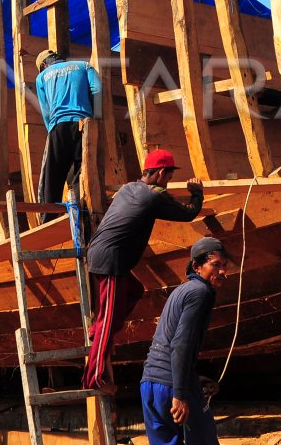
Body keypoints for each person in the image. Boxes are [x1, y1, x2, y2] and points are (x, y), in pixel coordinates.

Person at [82, 149, 204, 393]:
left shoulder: (128, 188)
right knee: (107, 321)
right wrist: (197, 193)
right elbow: (189, 213)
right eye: (168, 177)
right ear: (160, 173)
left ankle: (100, 331)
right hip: (112, 261)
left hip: (99, 253)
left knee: (135, 290)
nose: (167, 182)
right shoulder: (154, 197)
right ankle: (93, 379)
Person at [139, 237, 229, 445]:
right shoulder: (200, 293)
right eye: (215, 265)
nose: (222, 271)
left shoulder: (181, 290)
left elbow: (168, 343)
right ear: (197, 266)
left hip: (150, 384)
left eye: (225, 265)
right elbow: (181, 344)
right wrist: (180, 393)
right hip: (172, 387)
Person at [34, 49, 102, 222]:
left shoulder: (42, 77)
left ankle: (48, 220)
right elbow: (97, 90)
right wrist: (93, 118)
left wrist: (52, 130)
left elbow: (46, 109)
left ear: (43, 65)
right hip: (83, 124)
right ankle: (85, 215)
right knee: (82, 171)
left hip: (58, 126)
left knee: (53, 176)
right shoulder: (84, 66)